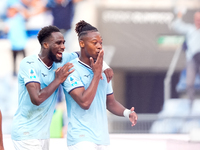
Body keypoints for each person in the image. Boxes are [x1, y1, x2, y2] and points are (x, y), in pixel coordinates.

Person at [62, 20, 138, 150]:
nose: (99, 46)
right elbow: (84, 103)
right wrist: (97, 75)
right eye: (94, 43)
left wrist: (127, 113)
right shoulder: (71, 69)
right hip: (81, 139)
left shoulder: (103, 69)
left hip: (102, 139)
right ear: (82, 43)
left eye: (101, 43)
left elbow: (110, 102)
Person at [11, 25, 77, 150]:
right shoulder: (29, 63)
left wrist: (105, 67)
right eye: (58, 43)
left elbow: (85, 55)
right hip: (26, 134)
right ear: (45, 45)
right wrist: (58, 79)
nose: (63, 47)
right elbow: (37, 99)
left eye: (63, 43)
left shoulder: (62, 59)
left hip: (44, 135)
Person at [170, 11, 200, 106]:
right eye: (197, 19)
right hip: (192, 59)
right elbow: (176, 26)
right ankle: (191, 105)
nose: (198, 21)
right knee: (189, 83)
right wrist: (179, 15)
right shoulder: (190, 29)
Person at [4, 2, 28, 76]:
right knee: (14, 60)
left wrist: (19, 8)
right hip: (14, 44)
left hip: (22, 43)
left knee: (24, 60)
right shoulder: (8, 20)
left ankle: (26, 71)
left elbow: (26, 15)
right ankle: (14, 73)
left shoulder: (19, 17)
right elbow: (6, 30)